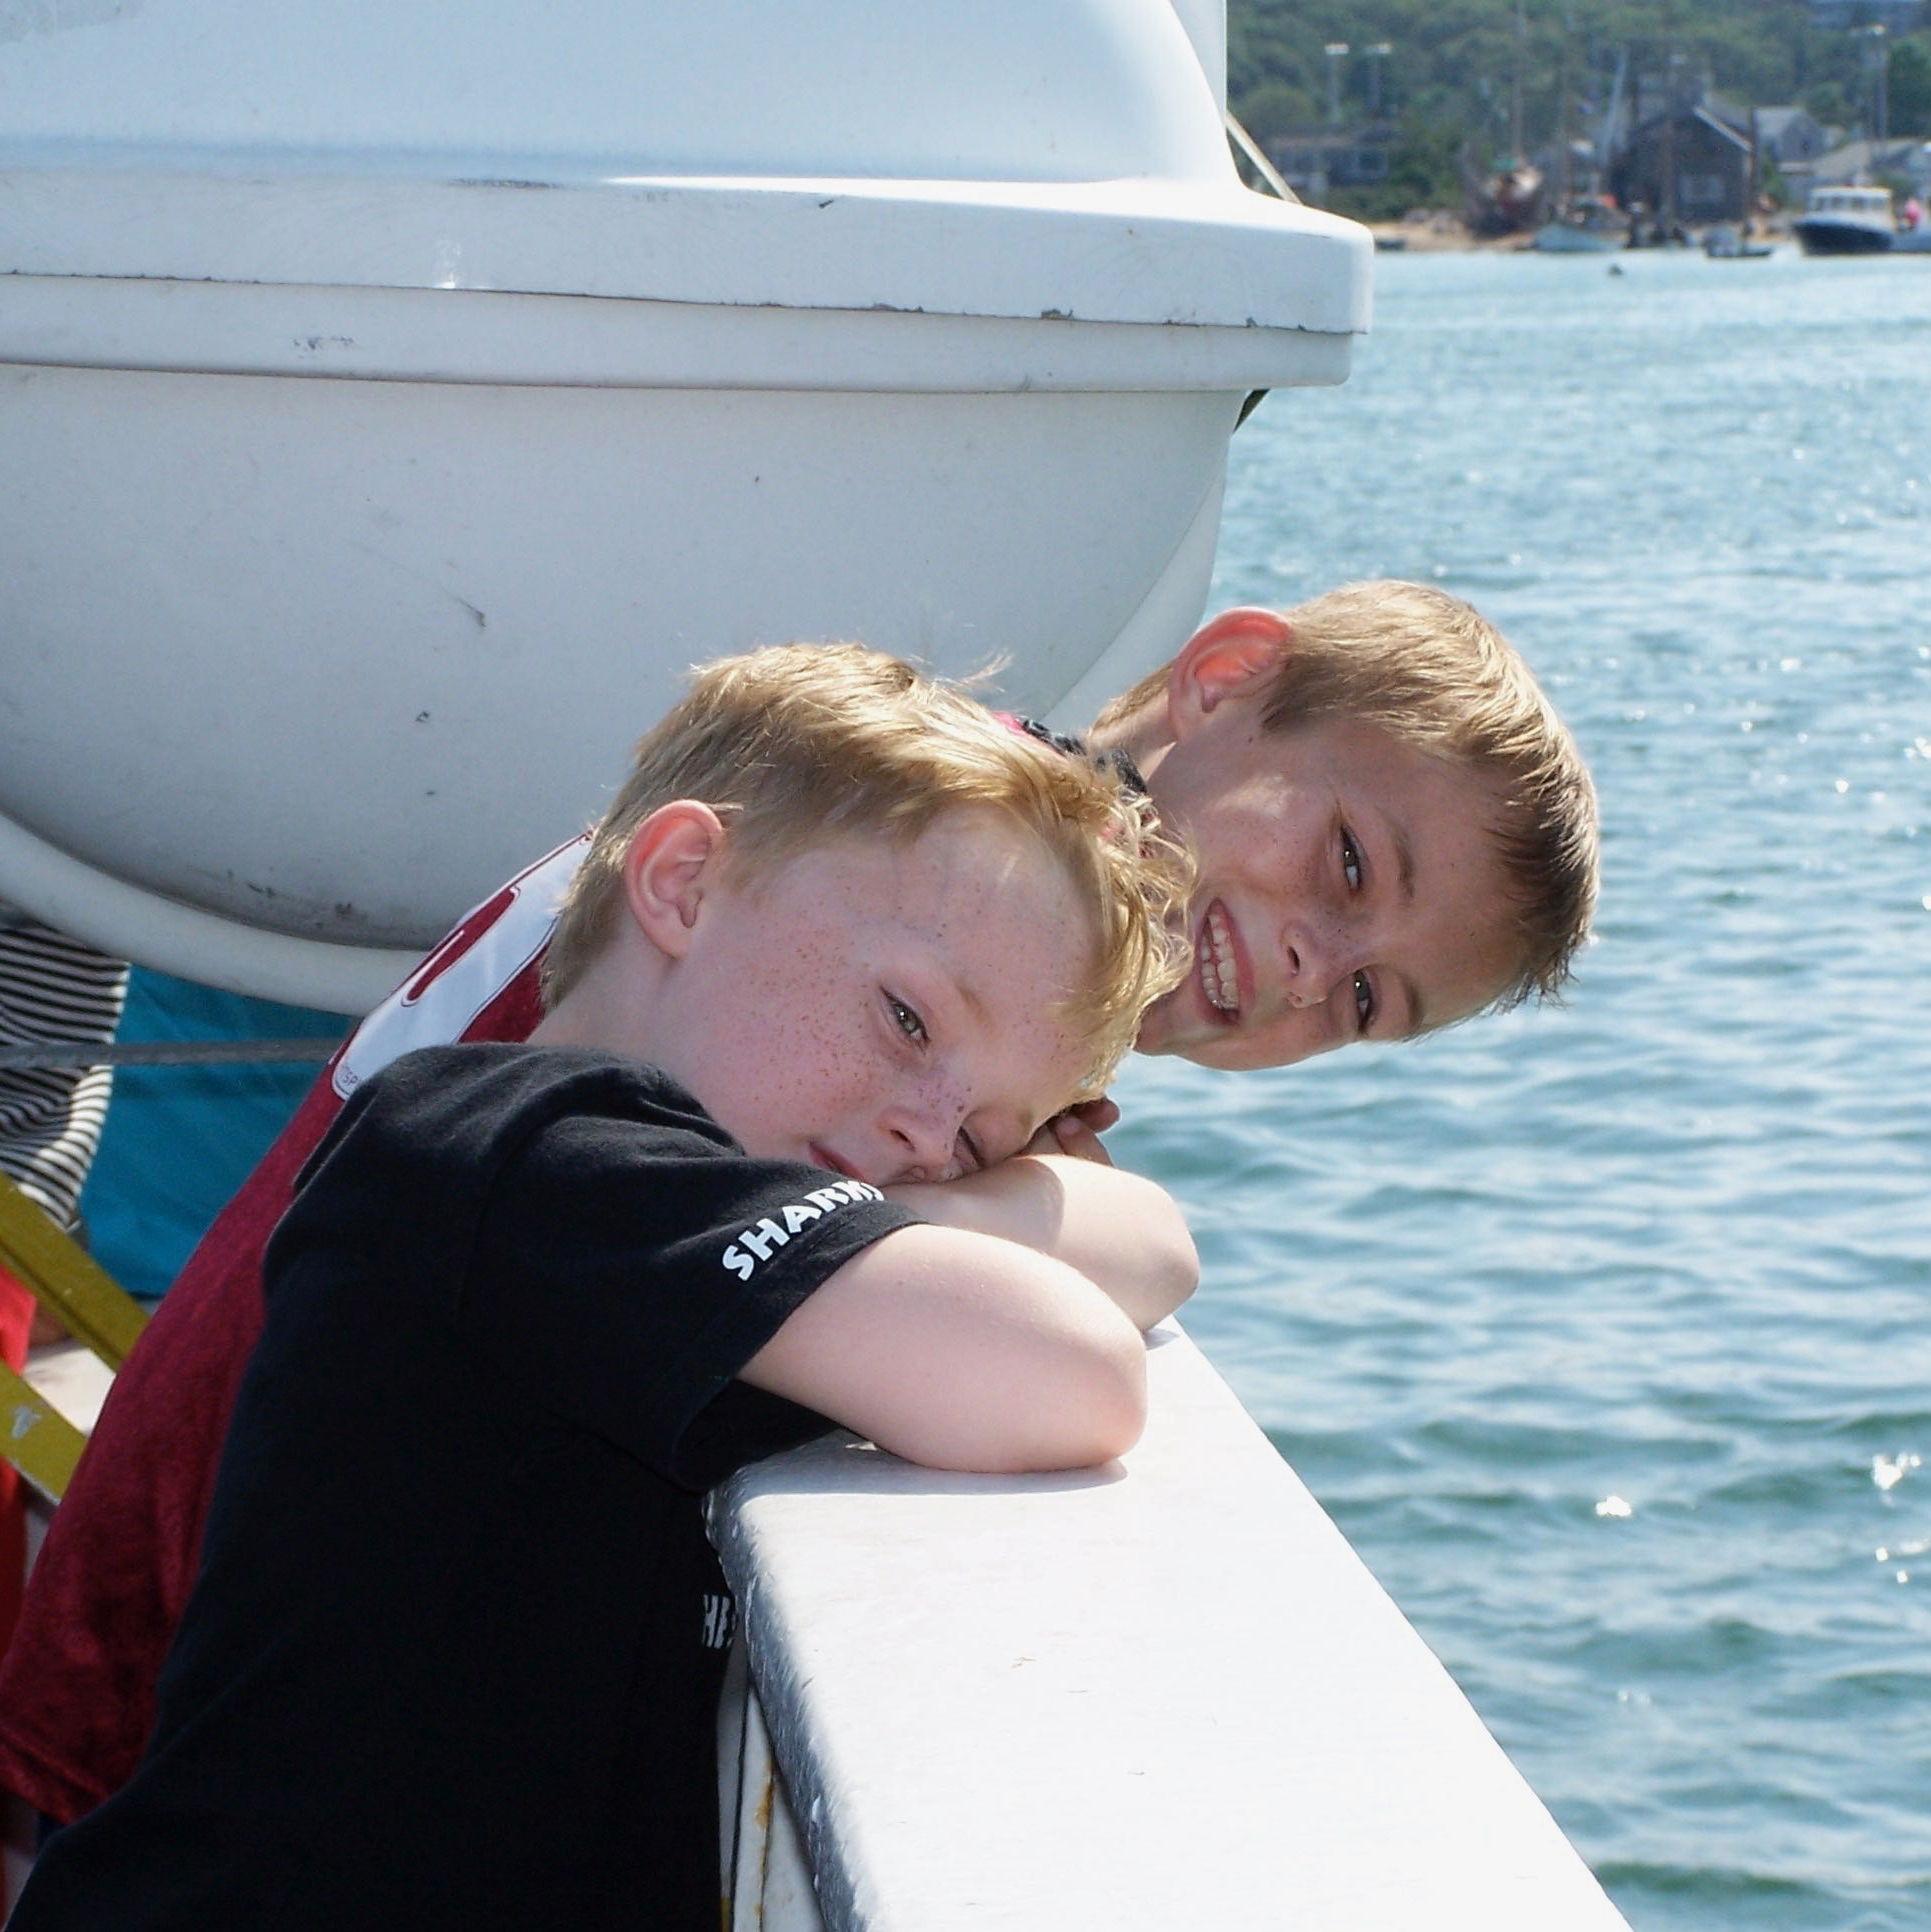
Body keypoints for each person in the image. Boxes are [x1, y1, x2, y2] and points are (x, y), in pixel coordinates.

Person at [0, 579, 1599, 1826]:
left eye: (1371, 1003)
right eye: (1341, 862)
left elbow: (1130, 1240)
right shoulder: (909, 886)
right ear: (1223, 678)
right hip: (177, 1683)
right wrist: (948, 1230)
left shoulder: (909, 883)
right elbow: (1106, 1272)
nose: (1317, 967)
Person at [9, 643, 1195, 1930]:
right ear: (683, 882)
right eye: (908, 1021)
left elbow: (1157, 1239)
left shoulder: (657, 1218)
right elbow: (1065, 1369)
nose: (924, 1129)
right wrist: (944, 1211)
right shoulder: (515, 1154)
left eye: (982, 1137)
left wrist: (904, 1209)